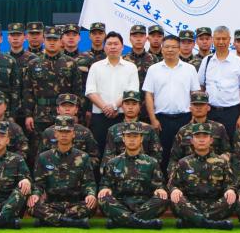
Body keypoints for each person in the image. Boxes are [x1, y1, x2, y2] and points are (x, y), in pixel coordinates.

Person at [22, 25, 81, 156]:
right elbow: (27, 90)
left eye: (55, 39)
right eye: (49, 39)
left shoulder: (70, 63)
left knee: (65, 148)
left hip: (65, 113)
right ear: (44, 40)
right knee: (39, 150)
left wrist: (77, 114)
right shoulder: (33, 63)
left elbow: (77, 90)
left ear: (61, 41)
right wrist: (28, 115)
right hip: (40, 114)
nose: (52, 42)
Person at [30, 115, 97, 228]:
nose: (64, 135)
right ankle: (72, 222)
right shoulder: (44, 157)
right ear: (55, 134)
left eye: (67, 131)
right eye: (61, 131)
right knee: (32, 205)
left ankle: (49, 219)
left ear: (73, 134)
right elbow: (39, 184)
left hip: (74, 203)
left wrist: (90, 194)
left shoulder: (83, 157)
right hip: (51, 203)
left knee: (91, 205)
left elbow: (89, 182)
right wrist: (35, 195)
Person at [143, 34, 199, 169]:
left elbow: (195, 94)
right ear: (162, 49)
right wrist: (153, 119)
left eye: (174, 47)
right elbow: (148, 95)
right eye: (167, 47)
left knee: (186, 155)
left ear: (179, 49)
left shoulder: (189, 69)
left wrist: (194, 116)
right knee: (163, 155)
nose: (170, 50)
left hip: (185, 119)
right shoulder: (153, 69)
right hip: (161, 120)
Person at [97, 122, 168, 230]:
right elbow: (105, 184)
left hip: (144, 204)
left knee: (163, 199)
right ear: (123, 139)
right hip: (120, 204)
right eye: (128, 136)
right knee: (103, 198)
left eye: (135, 136)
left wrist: (160, 189)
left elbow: (159, 184)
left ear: (141, 139)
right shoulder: (113, 163)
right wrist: (105, 189)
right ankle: (142, 222)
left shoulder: (151, 162)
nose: (131, 139)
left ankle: (121, 221)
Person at [168, 122, 236, 230]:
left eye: (205, 136)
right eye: (197, 137)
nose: (201, 140)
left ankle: (192, 221)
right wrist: (175, 189)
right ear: (192, 141)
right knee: (175, 198)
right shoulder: (183, 163)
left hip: (214, 205)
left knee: (231, 197)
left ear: (211, 140)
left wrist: (230, 190)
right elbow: (172, 184)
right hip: (190, 205)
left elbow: (230, 183)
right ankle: (209, 223)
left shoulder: (221, 162)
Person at [85, 31, 139, 159]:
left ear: (122, 47)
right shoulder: (96, 67)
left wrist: (114, 106)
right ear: (104, 47)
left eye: (116, 44)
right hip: (100, 116)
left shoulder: (131, 67)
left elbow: (132, 91)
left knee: (122, 151)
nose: (113, 47)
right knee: (99, 151)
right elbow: (90, 91)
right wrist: (105, 108)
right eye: (109, 44)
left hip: (122, 115)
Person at [198, 26, 240, 139]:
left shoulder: (239, 62)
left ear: (229, 40)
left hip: (232, 113)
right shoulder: (206, 61)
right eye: (218, 39)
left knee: (231, 143)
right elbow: (201, 88)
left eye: (224, 38)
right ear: (213, 40)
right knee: (210, 143)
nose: (221, 42)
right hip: (210, 112)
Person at [169, 91, 233, 174]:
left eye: (202, 104)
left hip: (214, 173)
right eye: (195, 105)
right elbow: (174, 159)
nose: (198, 107)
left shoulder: (219, 128)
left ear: (208, 107)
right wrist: (174, 176)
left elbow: (228, 151)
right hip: (189, 174)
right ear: (190, 108)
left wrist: (224, 158)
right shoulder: (183, 131)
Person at [37, 94, 100, 172]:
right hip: (54, 173)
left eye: (71, 106)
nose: (67, 109)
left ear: (76, 109)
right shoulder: (48, 132)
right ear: (57, 109)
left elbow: (95, 158)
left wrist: (79, 165)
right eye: (64, 106)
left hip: (77, 174)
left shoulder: (85, 132)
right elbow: (40, 159)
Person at [102, 91, 162, 162]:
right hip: (119, 167)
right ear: (122, 106)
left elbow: (157, 156)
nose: (130, 107)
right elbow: (108, 158)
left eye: (134, 104)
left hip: (144, 167)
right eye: (127, 104)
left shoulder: (149, 129)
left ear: (140, 106)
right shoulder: (113, 130)